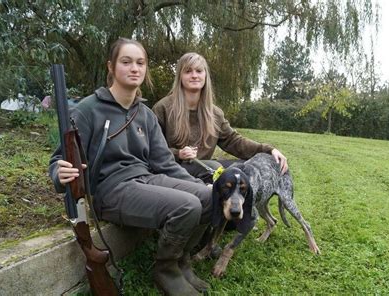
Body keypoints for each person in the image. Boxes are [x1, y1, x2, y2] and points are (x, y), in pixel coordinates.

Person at [49, 38, 211, 295]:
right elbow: (60, 159)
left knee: (207, 195)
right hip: (110, 189)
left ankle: (181, 260)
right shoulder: (88, 109)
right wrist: (59, 172)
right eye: (126, 62)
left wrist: (201, 184)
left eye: (140, 63)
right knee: (187, 206)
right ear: (111, 67)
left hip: (144, 179)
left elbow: (165, 164)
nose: (135, 68)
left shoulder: (144, 114)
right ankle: (165, 270)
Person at [152, 52, 288, 184]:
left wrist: (269, 150)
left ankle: (240, 204)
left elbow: (234, 141)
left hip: (204, 168)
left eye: (199, 71)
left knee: (245, 167)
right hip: (173, 169)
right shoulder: (163, 108)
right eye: (188, 71)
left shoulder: (214, 113)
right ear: (180, 77)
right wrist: (178, 153)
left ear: (205, 76)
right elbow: (152, 149)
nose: (194, 75)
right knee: (216, 167)